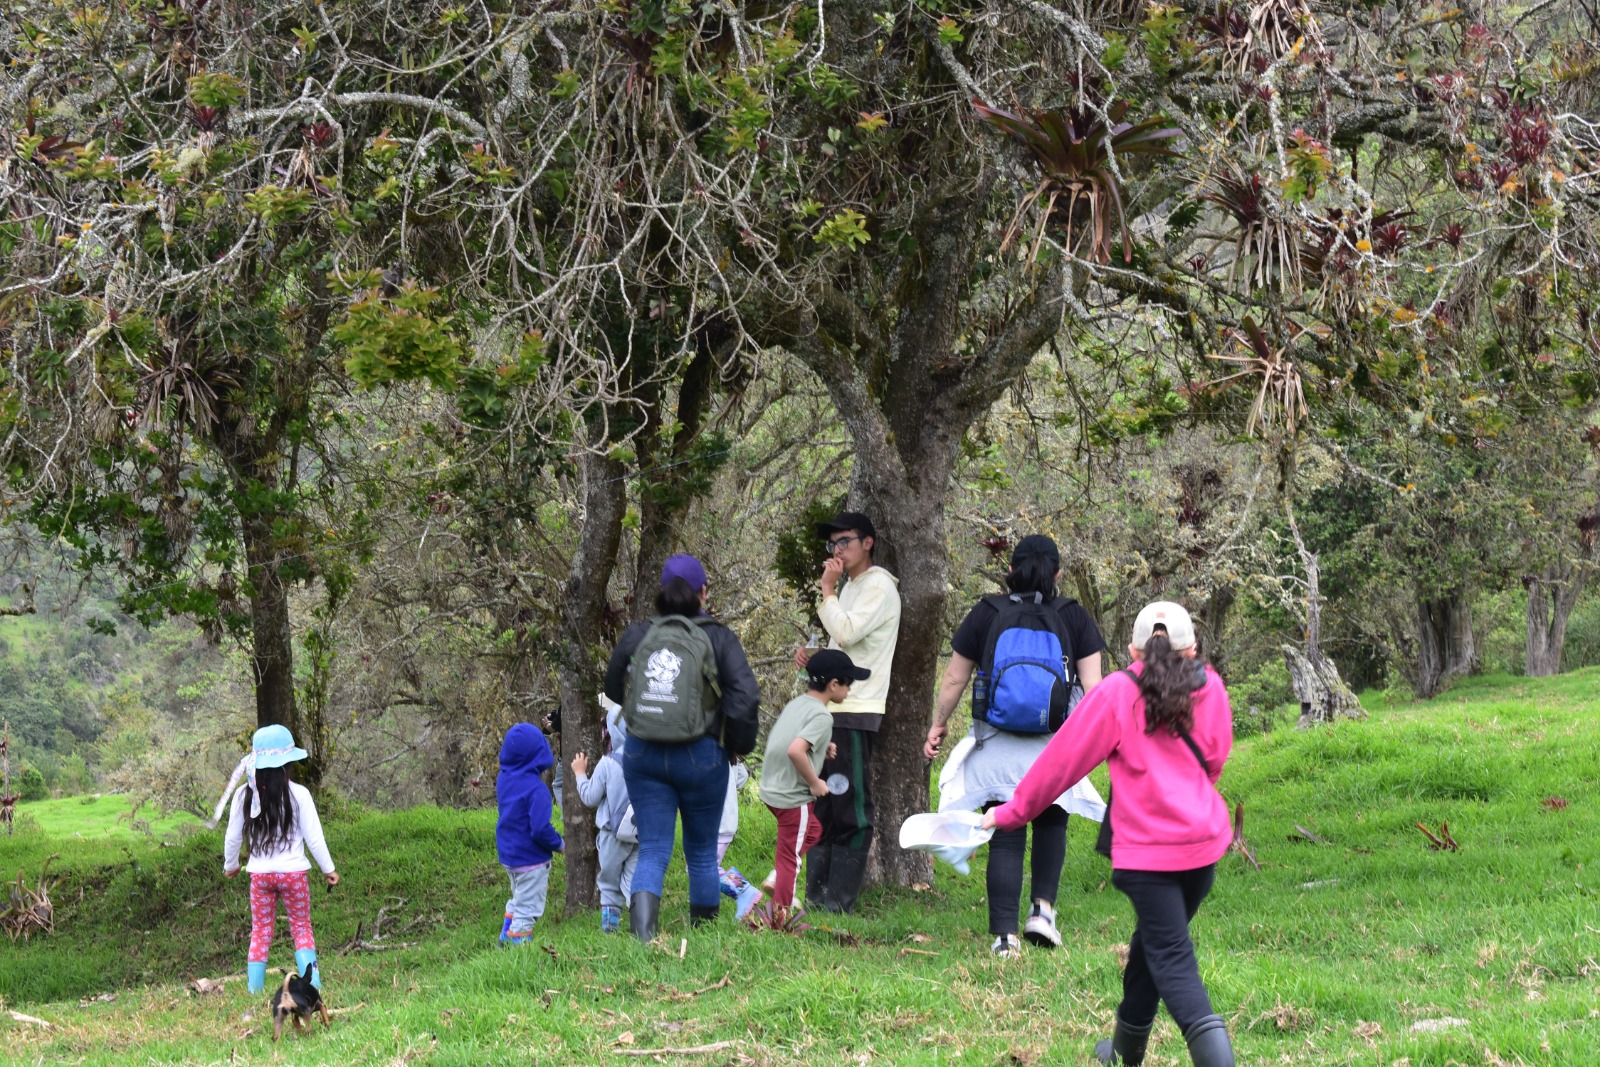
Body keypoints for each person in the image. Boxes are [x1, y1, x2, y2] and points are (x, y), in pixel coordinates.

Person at [982, 602, 1236, 1067]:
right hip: (1202, 848)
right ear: (1193, 648)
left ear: (1132, 649)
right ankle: (1123, 1052)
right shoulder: (1211, 685)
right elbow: (1215, 761)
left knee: (1171, 956)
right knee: (1154, 944)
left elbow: (1063, 762)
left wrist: (1011, 812)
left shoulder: (1118, 692)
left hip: (1148, 857)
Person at [926, 534, 1106, 957]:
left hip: (998, 744)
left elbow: (954, 679)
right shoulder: (1074, 616)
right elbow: (1095, 690)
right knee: (1051, 823)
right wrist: (1093, 745)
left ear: (1010, 569)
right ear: (1058, 573)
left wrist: (938, 725)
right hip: (1054, 744)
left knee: (1005, 831)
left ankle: (1004, 938)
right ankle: (1042, 912)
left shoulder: (987, 613)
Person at [605, 554, 760, 941]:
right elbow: (745, 699)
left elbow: (611, 689)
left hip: (642, 755)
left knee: (654, 847)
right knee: (703, 853)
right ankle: (703, 938)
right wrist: (735, 747)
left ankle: (643, 940)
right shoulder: (720, 637)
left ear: (662, 592)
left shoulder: (639, 635)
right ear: (703, 593)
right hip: (702, 756)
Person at [795, 511, 901, 913]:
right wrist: (816, 657)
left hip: (856, 710)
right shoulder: (854, 587)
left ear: (867, 542)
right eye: (833, 544)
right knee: (822, 801)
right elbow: (846, 646)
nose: (837, 550)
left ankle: (838, 901)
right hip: (832, 708)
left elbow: (848, 631)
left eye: (845, 542)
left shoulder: (878, 587)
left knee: (849, 802)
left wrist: (826, 589)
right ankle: (818, 897)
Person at [216, 725, 339, 994]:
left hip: (260, 876)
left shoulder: (243, 795)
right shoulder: (299, 794)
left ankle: (254, 990)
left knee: (260, 931)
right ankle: (313, 986)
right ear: (288, 763)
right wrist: (328, 869)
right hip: (294, 874)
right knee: (301, 927)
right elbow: (314, 838)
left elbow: (232, 837)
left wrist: (231, 866)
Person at [760, 650, 863, 912]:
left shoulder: (798, 704)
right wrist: (815, 782)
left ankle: (777, 878)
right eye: (848, 684)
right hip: (793, 797)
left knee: (814, 830)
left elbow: (788, 736)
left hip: (771, 788)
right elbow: (795, 750)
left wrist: (821, 745)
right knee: (789, 859)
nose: (849, 691)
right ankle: (780, 918)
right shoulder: (822, 715)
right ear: (834, 685)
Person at [496, 722, 565, 946]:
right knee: (528, 909)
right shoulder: (537, 790)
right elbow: (539, 829)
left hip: (509, 856)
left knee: (518, 900)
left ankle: (505, 938)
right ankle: (519, 951)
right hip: (531, 861)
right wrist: (560, 844)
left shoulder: (504, 780)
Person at [571, 708, 637, 933]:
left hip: (612, 835)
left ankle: (610, 931)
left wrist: (580, 774)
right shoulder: (650, 760)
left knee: (609, 884)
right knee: (635, 882)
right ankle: (642, 925)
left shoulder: (608, 764)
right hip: (641, 833)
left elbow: (590, 798)